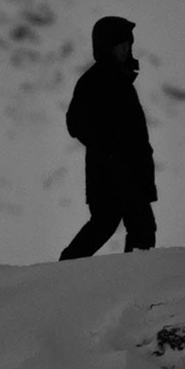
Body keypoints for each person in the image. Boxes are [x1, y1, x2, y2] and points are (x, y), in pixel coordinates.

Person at [59, 15, 156, 259]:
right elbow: (76, 123)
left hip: (123, 171)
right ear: (106, 46)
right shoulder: (97, 81)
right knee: (130, 226)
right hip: (114, 173)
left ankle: (63, 273)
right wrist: (110, 151)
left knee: (119, 225)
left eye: (127, 43)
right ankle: (64, 273)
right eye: (120, 43)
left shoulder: (118, 79)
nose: (126, 48)